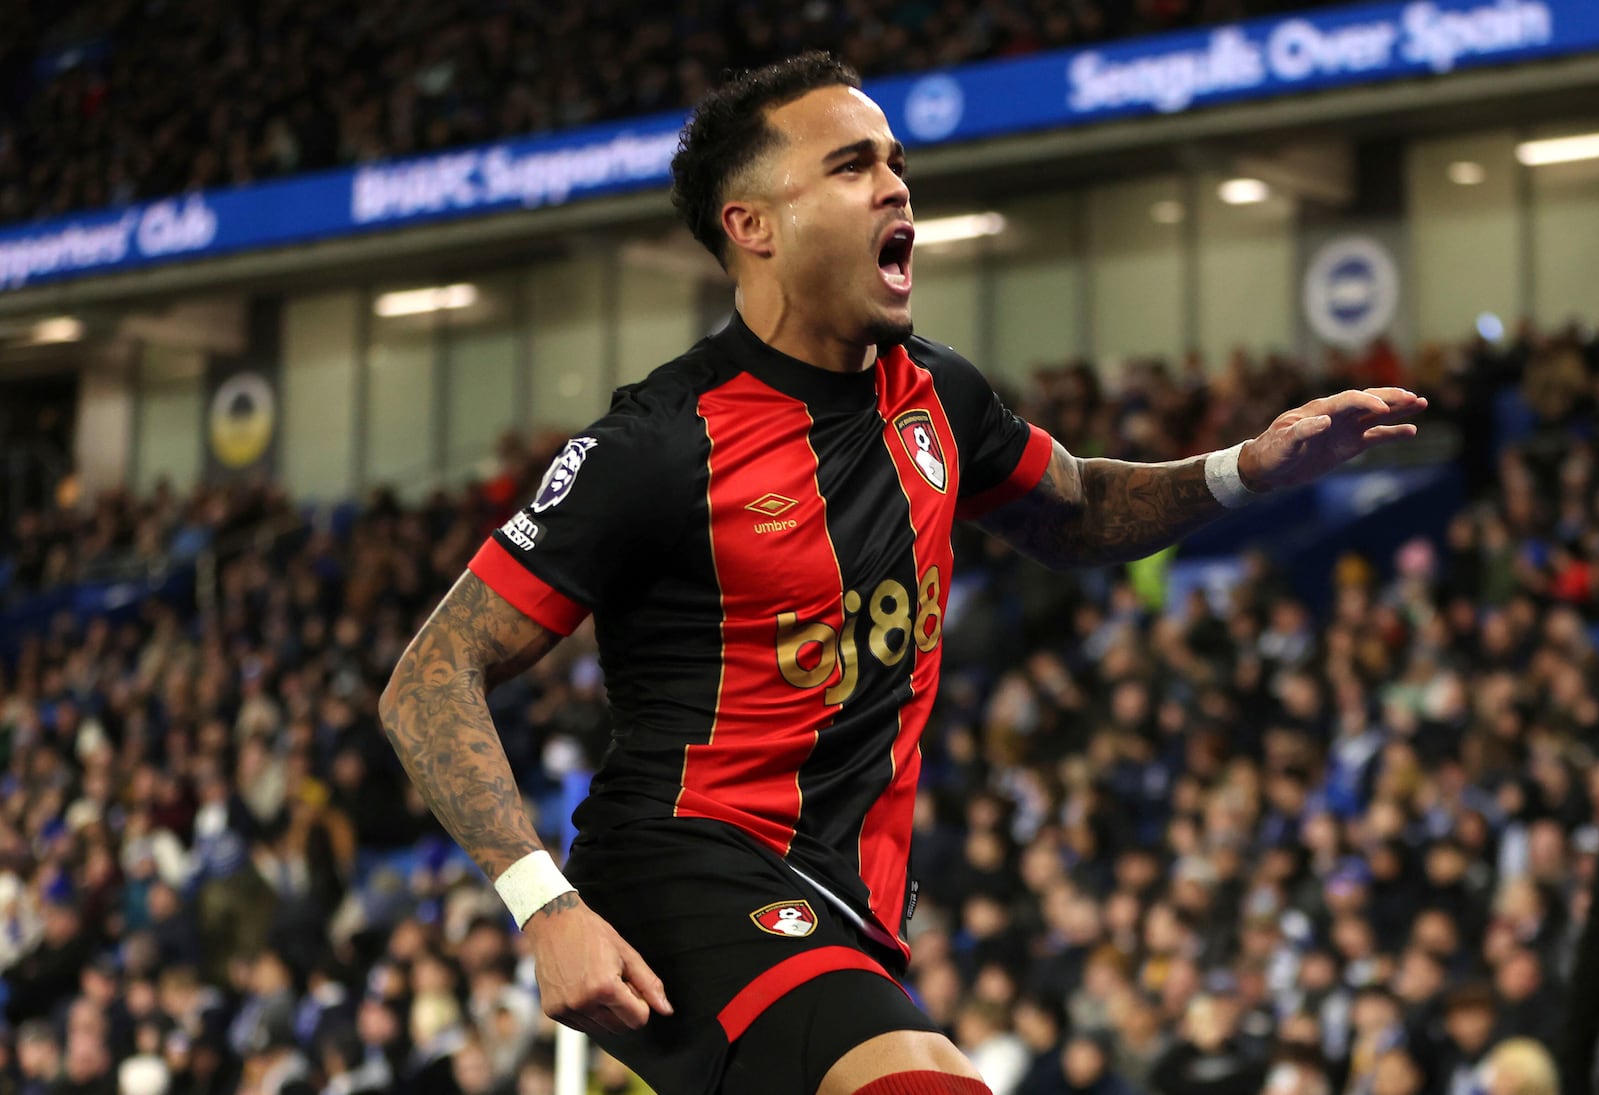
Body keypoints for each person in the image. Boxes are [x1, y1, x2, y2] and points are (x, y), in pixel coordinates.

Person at [379, 51, 1425, 1095]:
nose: (893, 185)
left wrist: (1246, 468)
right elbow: (429, 679)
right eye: (848, 166)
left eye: (894, 162)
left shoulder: (937, 395)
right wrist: (542, 904)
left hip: (851, 898)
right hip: (685, 875)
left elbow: (1078, 513)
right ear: (753, 226)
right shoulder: (658, 446)